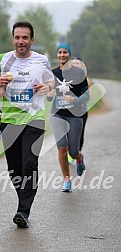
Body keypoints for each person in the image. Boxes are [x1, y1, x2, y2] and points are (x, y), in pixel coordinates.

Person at [0, 21, 55, 228]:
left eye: (25, 37)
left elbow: (51, 84)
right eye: (17, 37)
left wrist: (45, 87)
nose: (20, 41)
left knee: (30, 163)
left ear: (32, 40)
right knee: (14, 169)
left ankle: (23, 210)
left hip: (34, 119)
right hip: (9, 120)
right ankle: (22, 201)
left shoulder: (41, 60)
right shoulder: (2, 59)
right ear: (13, 39)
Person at [47, 43, 89, 192]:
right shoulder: (53, 73)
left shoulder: (79, 73)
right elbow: (48, 94)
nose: (62, 55)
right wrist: (48, 94)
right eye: (60, 52)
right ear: (57, 54)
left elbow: (87, 95)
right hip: (57, 114)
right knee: (62, 148)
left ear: (69, 54)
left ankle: (79, 157)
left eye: (65, 52)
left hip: (75, 116)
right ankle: (66, 179)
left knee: (72, 151)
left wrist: (75, 100)